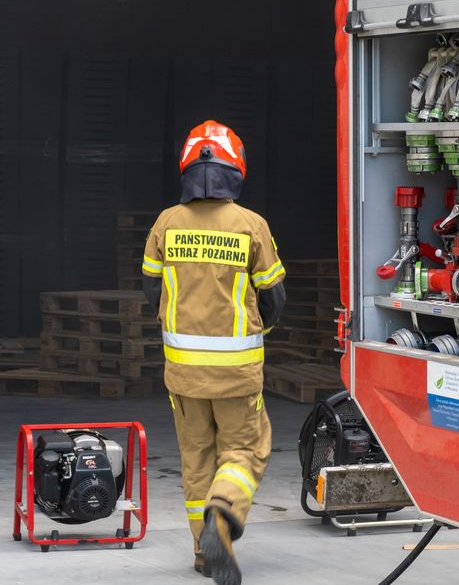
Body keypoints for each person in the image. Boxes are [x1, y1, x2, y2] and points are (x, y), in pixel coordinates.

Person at [141, 120, 286, 585]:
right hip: (237, 374)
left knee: (196, 457)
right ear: (235, 168)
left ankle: (203, 554)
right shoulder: (251, 226)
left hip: (182, 375)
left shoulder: (166, 223)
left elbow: (151, 290)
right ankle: (222, 517)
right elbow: (274, 297)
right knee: (246, 448)